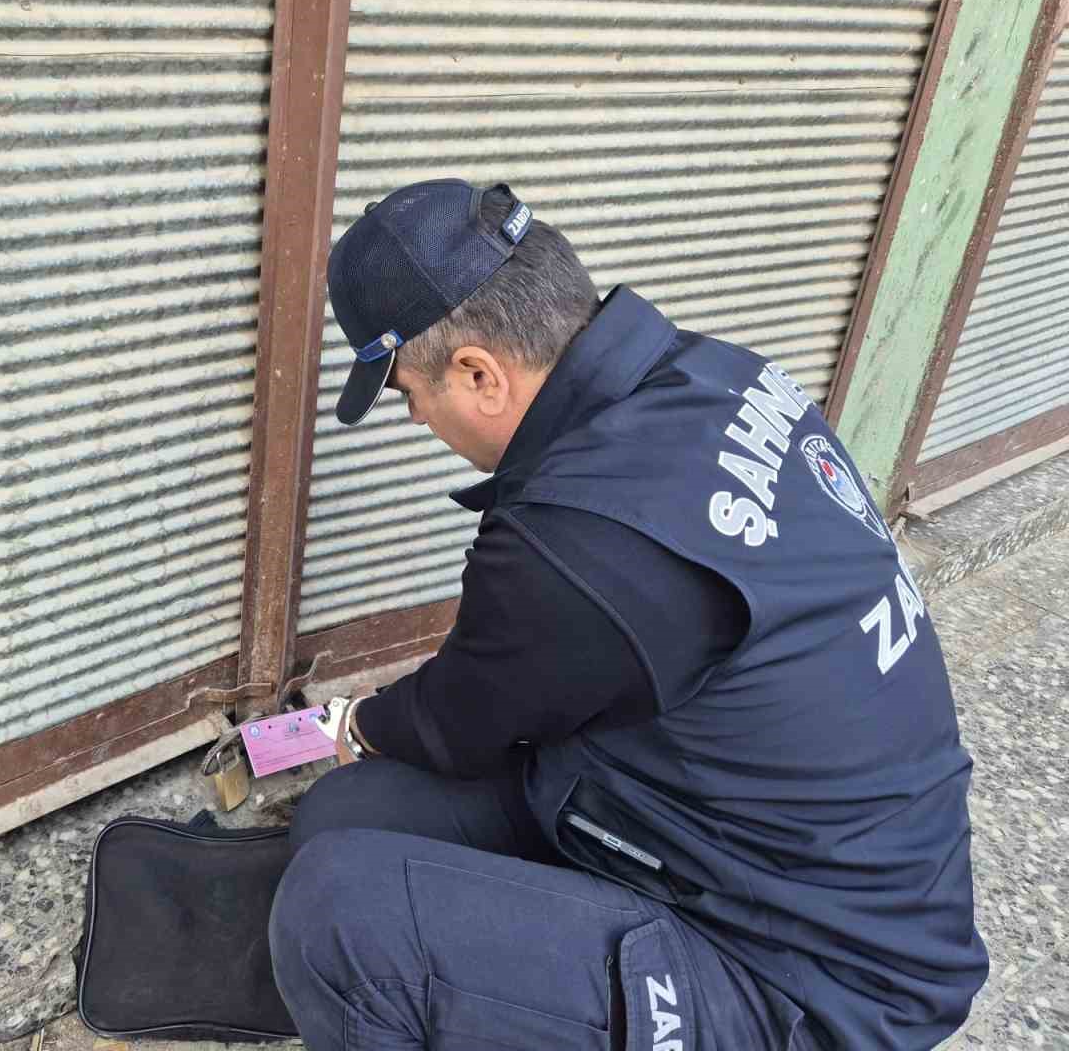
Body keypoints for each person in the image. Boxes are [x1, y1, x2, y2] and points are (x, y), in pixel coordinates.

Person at [267, 180, 988, 1051]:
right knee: (347, 816)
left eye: (410, 395)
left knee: (339, 913)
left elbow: (459, 719)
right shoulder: (718, 378)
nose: (418, 418)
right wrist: (372, 738)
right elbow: (506, 694)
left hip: (811, 975)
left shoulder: (579, 542)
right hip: (740, 838)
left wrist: (356, 724)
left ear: (478, 373)